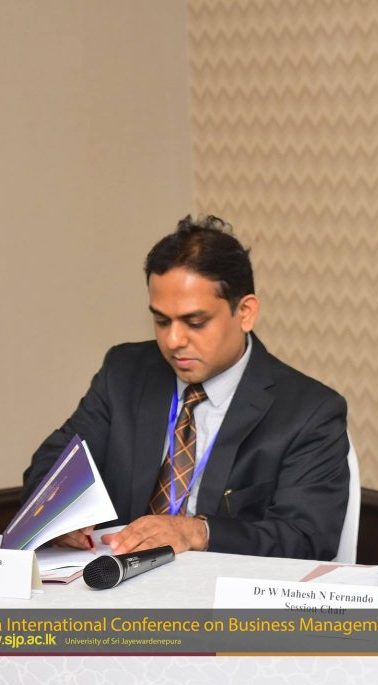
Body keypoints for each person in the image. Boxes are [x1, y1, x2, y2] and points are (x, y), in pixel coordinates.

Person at [22, 215, 350, 560]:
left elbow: (307, 536)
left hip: (220, 588)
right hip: (112, 575)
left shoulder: (309, 411)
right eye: (161, 321)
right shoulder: (124, 373)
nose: (174, 340)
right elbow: (53, 465)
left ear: (245, 312)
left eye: (195, 322)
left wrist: (199, 532)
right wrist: (61, 512)